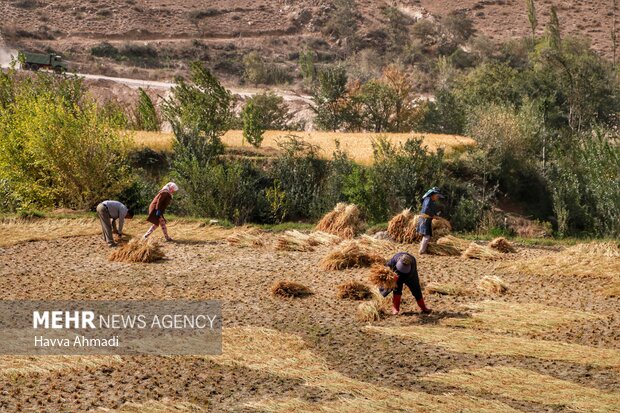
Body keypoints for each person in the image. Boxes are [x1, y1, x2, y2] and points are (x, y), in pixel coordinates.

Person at [417, 187, 444, 254]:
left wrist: (436, 215)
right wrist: (434, 216)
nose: (438, 198)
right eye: (437, 196)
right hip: (425, 219)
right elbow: (426, 210)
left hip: (427, 219)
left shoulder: (431, 201)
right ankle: (421, 251)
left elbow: (431, 210)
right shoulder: (428, 199)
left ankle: (422, 249)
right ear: (433, 194)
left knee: (427, 235)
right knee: (427, 236)